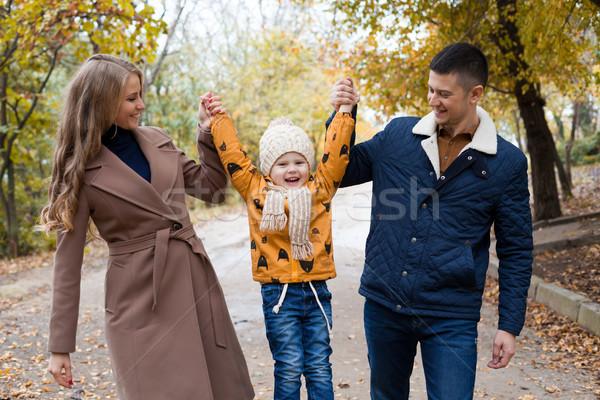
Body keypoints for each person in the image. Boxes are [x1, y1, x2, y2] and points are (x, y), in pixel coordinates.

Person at [39, 54, 254, 400]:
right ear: (103, 101)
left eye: (140, 95)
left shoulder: (156, 138)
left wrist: (205, 130)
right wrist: (59, 348)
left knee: (218, 389)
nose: (141, 105)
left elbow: (212, 189)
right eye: (131, 98)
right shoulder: (79, 169)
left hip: (193, 283)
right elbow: (68, 266)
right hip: (138, 300)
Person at [328, 43, 533, 399]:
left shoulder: (507, 163)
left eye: (444, 94)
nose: (432, 100)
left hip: (451, 313)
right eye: (430, 90)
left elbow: (516, 250)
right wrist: (343, 115)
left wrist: (509, 326)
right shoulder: (397, 136)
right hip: (384, 304)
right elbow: (339, 172)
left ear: (475, 94)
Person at [199, 82, 359, 400]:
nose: (292, 170)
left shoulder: (321, 189)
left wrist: (344, 112)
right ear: (268, 169)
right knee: (287, 367)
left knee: (318, 366)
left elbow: (336, 156)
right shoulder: (256, 190)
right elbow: (234, 156)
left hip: (317, 292)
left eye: (299, 162)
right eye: (282, 163)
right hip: (278, 296)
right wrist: (218, 119)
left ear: (309, 165)